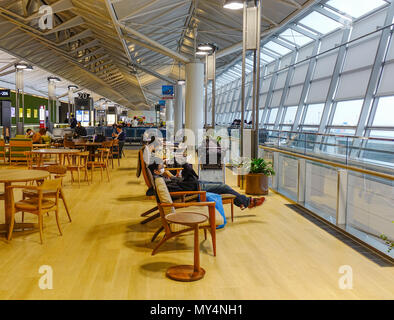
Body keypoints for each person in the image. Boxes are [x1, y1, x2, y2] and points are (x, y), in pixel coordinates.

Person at [148, 162, 265, 210]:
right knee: (224, 187)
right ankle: (247, 202)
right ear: (156, 172)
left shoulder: (161, 179)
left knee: (221, 184)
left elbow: (181, 184)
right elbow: (184, 188)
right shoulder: (162, 182)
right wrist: (179, 174)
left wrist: (173, 177)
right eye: (161, 167)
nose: (164, 167)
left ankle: (243, 202)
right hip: (197, 190)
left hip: (196, 186)